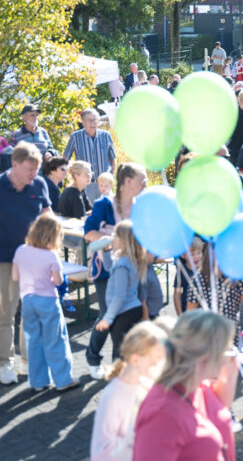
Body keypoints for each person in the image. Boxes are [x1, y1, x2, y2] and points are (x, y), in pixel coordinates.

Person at [133, 310, 238, 460]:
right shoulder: (162, 414)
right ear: (205, 357)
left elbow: (218, 416)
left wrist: (231, 373)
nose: (229, 355)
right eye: (226, 349)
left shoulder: (199, 384)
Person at [85, 162, 148, 380]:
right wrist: (110, 241)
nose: (146, 183)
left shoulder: (142, 206)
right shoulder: (104, 204)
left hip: (133, 271)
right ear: (128, 181)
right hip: (106, 270)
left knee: (125, 318)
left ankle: (119, 366)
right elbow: (88, 233)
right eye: (143, 179)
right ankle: (93, 358)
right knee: (107, 314)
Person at [0, 142, 51, 385]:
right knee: (6, 313)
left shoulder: (39, 184)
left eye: (37, 169)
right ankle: (4, 363)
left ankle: (28, 361)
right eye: (30, 169)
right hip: (5, 260)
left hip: (33, 260)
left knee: (31, 312)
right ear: (15, 164)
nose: (34, 174)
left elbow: (47, 214)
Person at [11, 215, 78, 391]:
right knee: (55, 341)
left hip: (27, 301)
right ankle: (63, 380)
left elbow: (15, 277)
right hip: (47, 300)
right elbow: (57, 282)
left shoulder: (20, 250)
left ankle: (38, 382)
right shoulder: (51, 256)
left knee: (33, 342)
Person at [90, 321, 168, 461]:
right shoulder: (114, 396)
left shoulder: (147, 385)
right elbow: (100, 451)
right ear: (136, 359)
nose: (159, 367)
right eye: (155, 361)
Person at [186, 242, 243, 349]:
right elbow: (190, 312)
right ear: (209, 257)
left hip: (231, 336)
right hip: (207, 338)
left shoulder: (236, 277)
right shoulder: (199, 280)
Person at [94, 220, 145, 362]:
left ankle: (120, 380)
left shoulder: (122, 264)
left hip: (123, 313)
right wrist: (105, 251)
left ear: (123, 241)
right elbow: (109, 267)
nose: (112, 237)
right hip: (132, 310)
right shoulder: (128, 259)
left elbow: (119, 296)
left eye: (114, 235)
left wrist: (107, 319)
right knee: (128, 351)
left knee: (121, 353)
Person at [63, 108, 117, 203]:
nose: (92, 122)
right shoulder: (75, 137)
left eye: (95, 119)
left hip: (104, 184)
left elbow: (113, 159)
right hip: (85, 184)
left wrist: (111, 177)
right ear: (83, 122)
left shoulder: (106, 135)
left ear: (99, 121)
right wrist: (73, 177)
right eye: (89, 120)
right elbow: (65, 159)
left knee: (107, 213)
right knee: (87, 213)